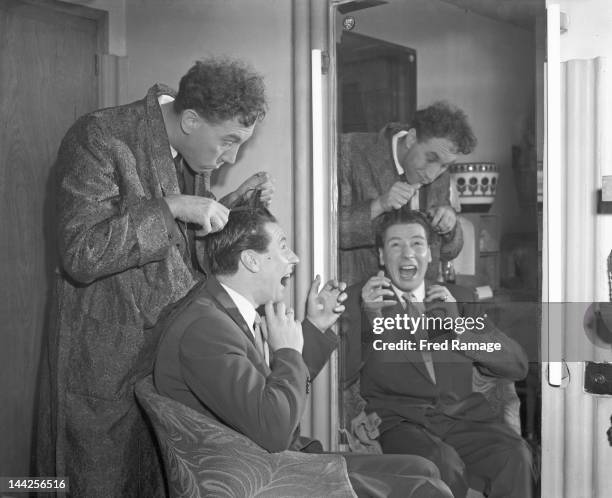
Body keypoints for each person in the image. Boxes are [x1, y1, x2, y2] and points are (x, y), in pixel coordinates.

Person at [36, 57, 273, 497]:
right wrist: (172, 208)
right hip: (101, 362)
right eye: (228, 142)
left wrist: (228, 207)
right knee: (87, 482)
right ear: (190, 120)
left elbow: (177, 253)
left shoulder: (187, 154)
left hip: (156, 363)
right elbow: (81, 253)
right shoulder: (100, 136)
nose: (232, 156)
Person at [154, 204, 453, 498]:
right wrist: (287, 353)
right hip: (265, 477)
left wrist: (314, 326)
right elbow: (274, 429)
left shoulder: (222, 311)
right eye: (283, 248)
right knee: (425, 488)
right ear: (251, 261)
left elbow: (274, 392)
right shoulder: (207, 329)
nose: (294, 259)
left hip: (275, 460)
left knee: (423, 468)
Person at [347, 208, 533, 498]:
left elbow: (517, 365)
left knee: (516, 455)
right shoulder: (360, 300)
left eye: (417, 244)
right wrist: (370, 321)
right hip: (402, 422)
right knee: (442, 464)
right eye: (396, 245)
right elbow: (341, 375)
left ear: (431, 254)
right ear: (382, 256)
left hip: (464, 418)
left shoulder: (459, 299)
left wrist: (460, 329)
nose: (408, 254)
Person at [339, 101, 477, 286]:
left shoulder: (439, 173)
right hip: (357, 301)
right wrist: (378, 205)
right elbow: (323, 234)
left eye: (445, 165)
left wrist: (450, 227)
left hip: (419, 306)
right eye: (430, 159)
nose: (432, 174)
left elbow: (448, 252)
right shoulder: (349, 151)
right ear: (412, 138)